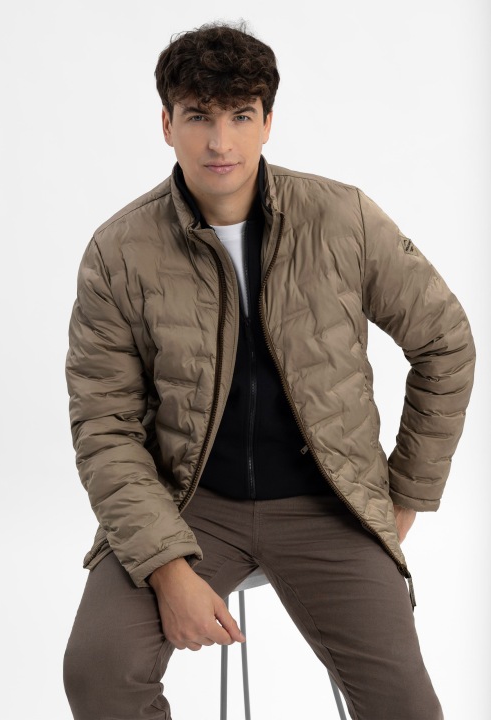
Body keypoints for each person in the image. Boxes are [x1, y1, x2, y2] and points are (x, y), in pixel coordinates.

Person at [63, 22, 475, 720]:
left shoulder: (342, 219)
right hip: (188, 502)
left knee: (407, 708)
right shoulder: (119, 251)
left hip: (329, 502)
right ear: (166, 124)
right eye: (199, 116)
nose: (220, 142)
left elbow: (446, 343)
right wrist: (166, 566)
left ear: (268, 122)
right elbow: (105, 426)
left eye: (240, 116)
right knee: (100, 671)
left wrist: (405, 493)